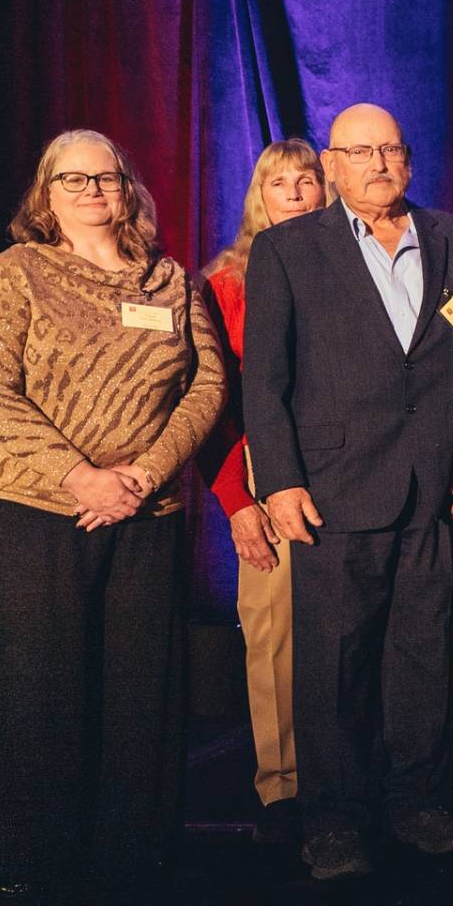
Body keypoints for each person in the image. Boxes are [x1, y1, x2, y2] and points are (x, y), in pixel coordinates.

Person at [0, 129, 227, 892]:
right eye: (72, 180)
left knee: (137, 690)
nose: (92, 191)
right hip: (35, 506)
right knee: (37, 685)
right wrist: (79, 476)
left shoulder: (170, 281)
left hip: (145, 510)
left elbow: (207, 386)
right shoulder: (21, 271)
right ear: (46, 194)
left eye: (105, 178)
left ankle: (129, 856)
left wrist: (143, 474)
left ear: (128, 189)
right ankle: (30, 860)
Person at [242, 103, 453, 881]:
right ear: (332, 164)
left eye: (391, 149)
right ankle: (334, 818)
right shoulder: (286, 249)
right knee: (335, 660)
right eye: (360, 151)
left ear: (409, 159)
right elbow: (264, 380)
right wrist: (280, 482)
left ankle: (417, 800)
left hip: (435, 482)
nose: (378, 163)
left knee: (423, 652)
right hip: (334, 484)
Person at [197, 138, 328, 847]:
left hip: (348, 466)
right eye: (281, 183)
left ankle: (355, 777)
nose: (297, 193)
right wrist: (237, 501)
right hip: (260, 467)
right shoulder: (226, 284)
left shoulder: (357, 266)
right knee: (273, 627)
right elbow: (209, 403)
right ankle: (283, 785)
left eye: (308, 180)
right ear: (259, 196)